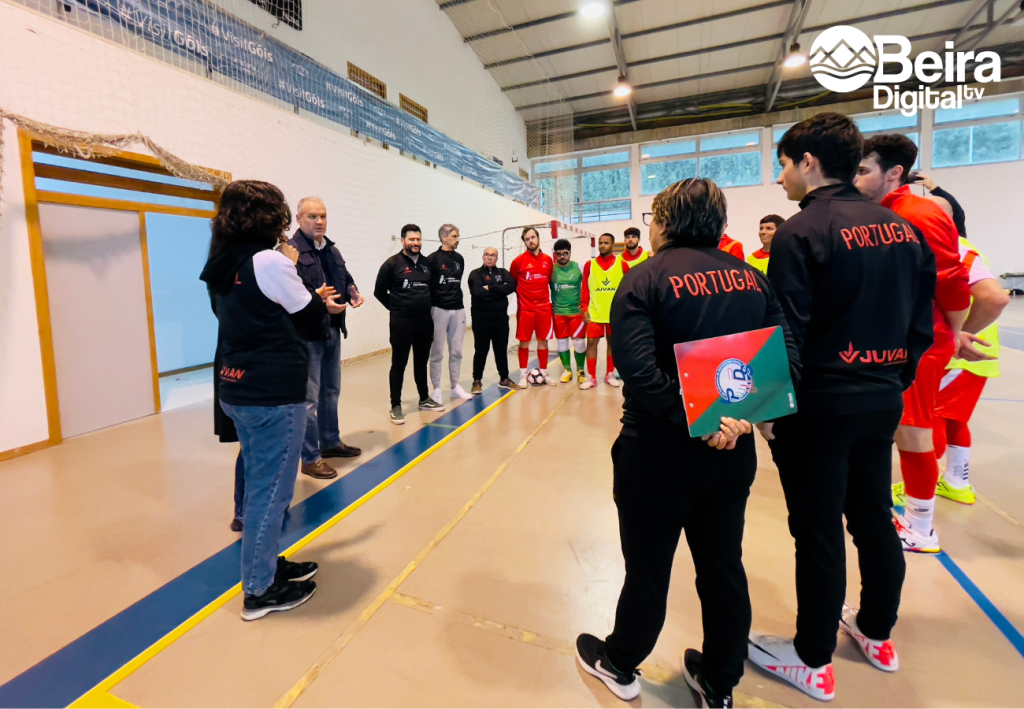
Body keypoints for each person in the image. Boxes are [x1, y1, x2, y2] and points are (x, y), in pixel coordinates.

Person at [576, 177, 794, 708]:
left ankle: (621, 662)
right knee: (723, 567)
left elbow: (639, 372)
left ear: (666, 222)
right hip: (731, 451)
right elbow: (781, 360)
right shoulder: (752, 280)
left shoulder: (643, 279)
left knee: (648, 568)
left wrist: (700, 420)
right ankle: (719, 681)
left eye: (652, 219)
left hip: (657, 452)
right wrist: (736, 419)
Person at [747, 113, 937, 701]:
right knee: (873, 516)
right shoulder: (903, 231)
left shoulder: (801, 232)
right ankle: (877, 631)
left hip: (820, 408)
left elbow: (788, 332)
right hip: (881, 400)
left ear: (808, 162)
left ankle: (812, 657)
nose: (780, 177)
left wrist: (770, 411)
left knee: (819, 529)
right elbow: (921, 324)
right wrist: (892, 380)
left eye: (783, 164)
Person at [200, 180, 329, 620]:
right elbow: (312, 322)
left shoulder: (221, 262)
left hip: (237, 387)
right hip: (272, 393)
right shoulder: (270, 261)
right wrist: (299, 277)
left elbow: (247, 313)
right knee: (271, 493)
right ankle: (259, 590)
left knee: (260, 483)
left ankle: (267, 564)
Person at [854, 134, 971, 554]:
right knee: (901, 426)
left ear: (894, 173)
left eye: (863, 170)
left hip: (921, 340)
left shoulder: (918, 214)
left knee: (914, 429)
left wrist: (953, 332)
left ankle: (921, 527)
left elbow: (951, 282)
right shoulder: (881, 214)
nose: (855, 179)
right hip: (892, 338)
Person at [893, 208, 1009, 506]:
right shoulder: (963, 246)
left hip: (958, 353)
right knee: (954, 419)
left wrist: (959, 334)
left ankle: (919, 491)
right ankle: (957, 482)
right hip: (976, 352)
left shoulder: (952, 247)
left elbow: (995, 298)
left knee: (928, 422)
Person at [287, 197, 365, 482]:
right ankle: (310, 458)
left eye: (322, 216)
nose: (319, 221)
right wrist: (318, 302)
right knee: (309, 400)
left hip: (332, 330)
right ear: (298, 219)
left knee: (330, 391)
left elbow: (344, 275)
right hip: (307, 335)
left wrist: (352, 290)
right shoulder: (289, 252)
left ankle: (330, 442)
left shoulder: (331, 249)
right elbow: (288, 292)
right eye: (312, 216)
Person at [374, 224, 446, 425]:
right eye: (412, 239)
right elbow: (379, 292)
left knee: (421, 363)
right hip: (401, 323)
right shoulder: (392, 264)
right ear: (403, 241)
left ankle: (424, 399)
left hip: (424, 322)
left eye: (418, 239)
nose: (415, 243)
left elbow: (432, 289)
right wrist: (397, 308)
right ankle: (396, 405)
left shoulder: (427, 264)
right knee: (399, 364)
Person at [467, 247, 523, 394]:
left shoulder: (503, 273)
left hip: (500, 319)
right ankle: (477, 381)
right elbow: (478, 292)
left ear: (497, 258)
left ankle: (504, 378)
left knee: (501, 350)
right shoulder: (475, 274)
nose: (489, 257)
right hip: (481, 319)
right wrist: (499, 290)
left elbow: (511, 287)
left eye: (493, 255)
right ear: (483, 257)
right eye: (487, 254)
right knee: (481, 350)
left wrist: (490, 287)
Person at [427, 224, 472, 404]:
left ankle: (455, 386)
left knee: (457, 351)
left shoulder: (459, 259)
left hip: (458, 309)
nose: (457, 239)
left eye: (458, 235)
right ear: (444, 237)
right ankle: (436, 388)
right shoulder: (432, 259)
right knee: (437, 351)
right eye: (454, 236)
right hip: (438, 309)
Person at [509, 227, 556, 387]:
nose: (531, 241)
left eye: (533, 237)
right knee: (524, 343)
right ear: (524, 242)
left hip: (544, 309)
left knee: (543, 342)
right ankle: (523, 375)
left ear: (538, 238)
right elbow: (513, 282)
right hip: (526, 310)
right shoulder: (518, 262)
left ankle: (544, 373)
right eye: (527, 239)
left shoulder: (548, 260)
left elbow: (548, 281)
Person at [580, 233, 628, 390]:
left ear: (612, 245)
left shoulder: (622, 264)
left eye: (606, 243)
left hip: (614, 313)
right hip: (595, 312)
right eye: (600, 243)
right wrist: (584, 308)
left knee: (612, 344)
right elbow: (585, 288)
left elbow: (627, 288)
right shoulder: (590, 265)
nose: (602, 245)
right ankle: (592, 377)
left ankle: (610, 374)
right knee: (591, 343)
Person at [550, 238, 588, 384]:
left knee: (579, 343)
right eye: (559, 254)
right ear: (555, 254)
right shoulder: (550, 270)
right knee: (562, 343)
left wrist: (586, 306)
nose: (562, 257)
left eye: (565, 253)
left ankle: (580, 370)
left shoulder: (580, 267)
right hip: (558, 313)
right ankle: (567, 370)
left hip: (576, 313)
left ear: (570, 253)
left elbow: (590, 285)